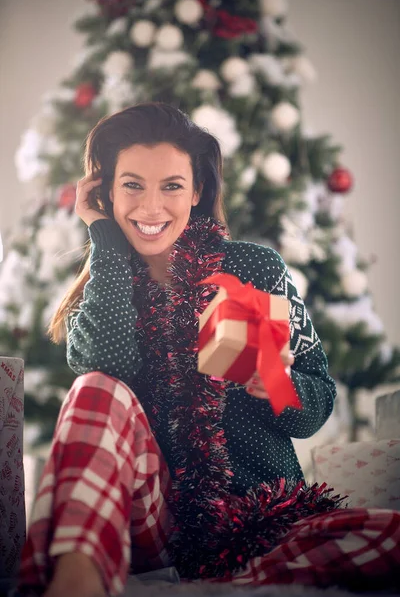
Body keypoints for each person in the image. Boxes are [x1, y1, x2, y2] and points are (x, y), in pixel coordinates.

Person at [18, 103, 400, 597]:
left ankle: (243, 578)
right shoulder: (104, 286)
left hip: (261, 519)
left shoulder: (256, 270)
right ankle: (77, 581)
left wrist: (275, 385)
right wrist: (104, 240)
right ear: (106, 192)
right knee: (95, 389)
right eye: (132, 184)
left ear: (197, 191)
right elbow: (105, 367)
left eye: (171, 186)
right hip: (158, 525)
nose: (150, 208)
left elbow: (316, 406)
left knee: (387, 534)